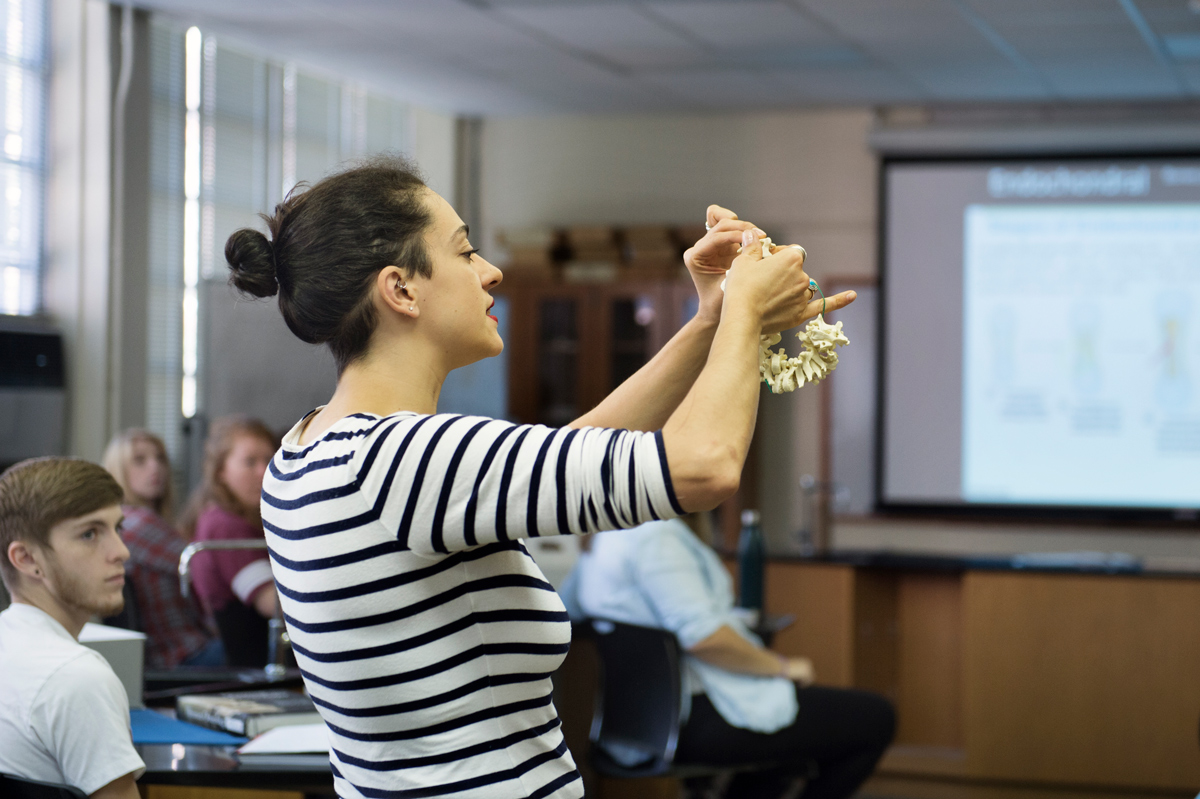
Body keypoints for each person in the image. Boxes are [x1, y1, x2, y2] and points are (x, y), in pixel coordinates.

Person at [224, 154, 855, 799]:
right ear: (401, 289)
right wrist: (746, 313)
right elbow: (704, 467)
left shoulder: (309, 452)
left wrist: (710, 322)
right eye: (465, 252)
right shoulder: (405, 460)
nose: (491, 272)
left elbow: (572, 450)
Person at [562, 516, 894, 799]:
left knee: (782, 762)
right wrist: (783, 668)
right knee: (875, 718)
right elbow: (704, 638)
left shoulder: (600, 540)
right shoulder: (655, 538)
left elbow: (567, 610)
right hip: (698, 721)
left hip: (635, 730)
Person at [0, 457, 145, 799]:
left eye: (117, 528)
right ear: (26, 559)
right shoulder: (77, 679)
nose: (121, 551)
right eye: (89, 534)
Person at [103, 429, 224, 668]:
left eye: (160, 458)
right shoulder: (138, 522)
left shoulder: (130, 520)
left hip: (181, 651)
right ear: (118, 470)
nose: (155, 467)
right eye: (140, 460)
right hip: (180, 656)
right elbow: (204, 569)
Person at [180, 415, 279, 667]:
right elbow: (273, 605)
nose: (263, 471)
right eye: (250, 462)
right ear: (221, 472)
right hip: (244, 664)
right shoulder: (225, 526)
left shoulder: (233, 518)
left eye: (269, 459)